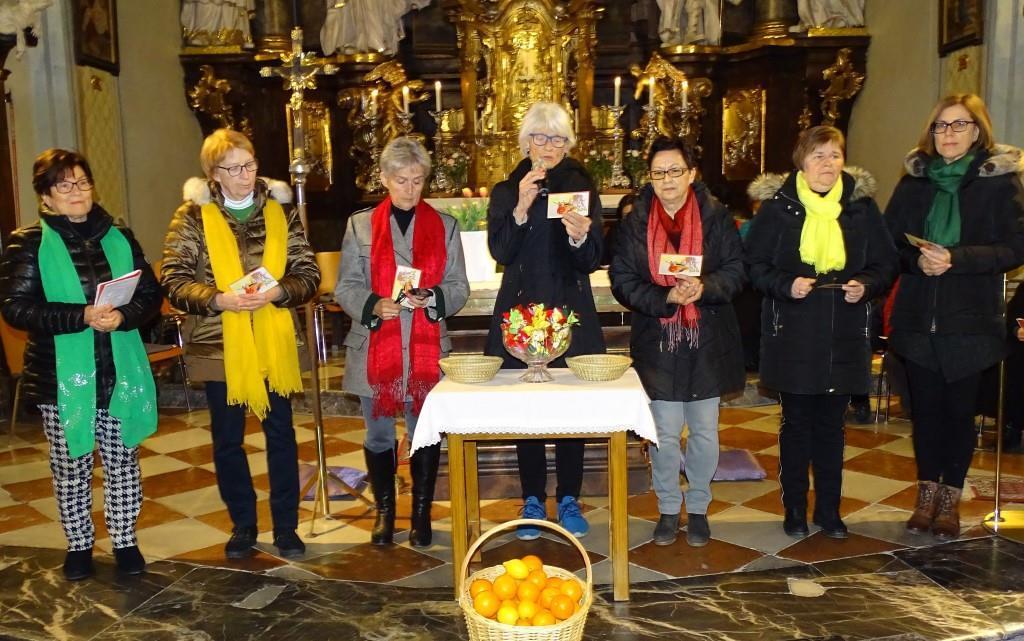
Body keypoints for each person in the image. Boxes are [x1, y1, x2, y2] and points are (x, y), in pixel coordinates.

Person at [0, 149, 161, 580]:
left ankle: (125, 541)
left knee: (122, 461)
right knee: (71, 466)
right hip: (61, 378)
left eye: (82, 182)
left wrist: (123, 316)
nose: (76, 191)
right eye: (64, 184)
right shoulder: (27, 242)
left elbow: (150, 294)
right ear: (45, 196)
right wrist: (81, 316)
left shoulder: (119, 236)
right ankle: (79, 544)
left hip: (119, 369)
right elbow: (16, 308)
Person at [162, 128, 319, 560]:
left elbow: (308, 273)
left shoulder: (280, 210)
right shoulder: (192, 216)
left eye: (249, 165)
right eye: (233, 169)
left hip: (274, 341)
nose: (245, 175)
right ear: (213, 173)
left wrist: (279, 292)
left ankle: (286, 526)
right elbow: (174, 279)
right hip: (220, 344)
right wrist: (219, 299)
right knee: (228, 439)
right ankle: (243, 526)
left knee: (281, 434)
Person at [745, 125, 897, 539]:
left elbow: (886, 263)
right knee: (796, 425)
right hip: (793, 331)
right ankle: (794, 508)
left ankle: (829, 511)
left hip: (844, 331)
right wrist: (786, 284)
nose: (827, 164)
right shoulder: (779, 208)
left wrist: (866, 284)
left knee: (832, 427)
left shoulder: (861, 207)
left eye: (835, 155)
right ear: (802, 161)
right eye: (818, 155)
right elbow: (754, 265)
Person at [885, 94, 1024, 540]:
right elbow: (889, 245)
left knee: (959, 414)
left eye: (959, 125)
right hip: (918, 317)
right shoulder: (914, 183)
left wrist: (956, 259)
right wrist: (916, 261)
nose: (948, 134)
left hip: (970, 320)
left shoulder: (999, 183)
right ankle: (925, 496)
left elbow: (1015, 248)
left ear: (978, 131)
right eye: (941, 126)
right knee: (925, 413)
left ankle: (950, 500)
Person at [609, 137, 745, 547]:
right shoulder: (635, 221)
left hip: (707, 338)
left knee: (704, 431)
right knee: (664, 433)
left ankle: (699, 507)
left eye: (674, 171)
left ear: (691, 173)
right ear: (649, 178)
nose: (667, 180)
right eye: (658, 173)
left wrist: (705, 287)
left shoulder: (716, 216)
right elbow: (623, 280)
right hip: (658, 340)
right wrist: (665, 296)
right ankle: (669, 507)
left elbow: (737, 269)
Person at [337, 137, 469, 547]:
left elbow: (458, 286)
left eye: (417, 180)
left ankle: (421, 514)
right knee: (378, 436)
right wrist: (374, 305)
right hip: (375, 347)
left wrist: (433, 297)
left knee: (423, 434)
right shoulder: (360, 225)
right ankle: (385, 512)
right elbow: (346, 286)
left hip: (426, 350)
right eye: (401, 180)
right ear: (384, 179)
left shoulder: (445, 225)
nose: (410, 189)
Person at [484, 101, 605, 541]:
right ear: (526, 143)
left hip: (569, 310)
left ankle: (569, 496)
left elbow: (593, 258)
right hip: (522, 312)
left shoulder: (581, 188)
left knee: (571, 408)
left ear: (567, 145)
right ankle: (533, 497)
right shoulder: (506, 189)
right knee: (528, 409)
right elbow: (500, 251)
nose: (548, 146)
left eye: (557, 138)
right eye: (539, 137)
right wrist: (520, 206)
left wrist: (580, 235)